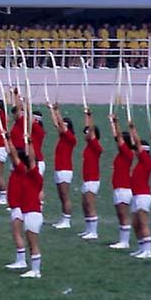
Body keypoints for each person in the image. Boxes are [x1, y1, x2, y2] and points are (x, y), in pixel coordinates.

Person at [4, 130, 43, 279]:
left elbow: (29, 158)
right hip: (29, 212)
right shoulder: (27, 176)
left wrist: (30, 143)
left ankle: (36, 270)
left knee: (33, 243)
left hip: (33, 213)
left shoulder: (35, 176)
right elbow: (14, 155)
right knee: (30, 242)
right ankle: (33, 269)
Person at [127, 120, 151, 260]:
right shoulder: (140, 162)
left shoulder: (147, 161)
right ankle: (140, 247)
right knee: (135, 223)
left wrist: (133, 129)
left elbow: (137, 143)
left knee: (143, 223)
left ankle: (147, 250)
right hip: (136, 195)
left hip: (143, 196)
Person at [108, 113, 135, 250]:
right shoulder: (125, 153)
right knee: (121, 215)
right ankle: (122, 240)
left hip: (123, 188)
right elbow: (116, 137)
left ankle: (125, 241)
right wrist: (112, 123)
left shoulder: (127, 153)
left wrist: (116, 122)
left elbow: (118, 138)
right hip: (119, 187)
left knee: (123, 215)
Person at [48, 103, 77, 229]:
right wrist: (51, 110)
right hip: (60, 169)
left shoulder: (70, 138)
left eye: (64, 125)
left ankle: (67, 220)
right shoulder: (63, 136)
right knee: (62, 196)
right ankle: (63, 218)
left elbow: (60, 125)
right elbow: (57, 124)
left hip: (65, 170)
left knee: (65, 196)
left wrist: (57, 111)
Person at [79, 107, 102, 240]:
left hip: (92, 180)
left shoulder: (95, 145)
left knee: (90, 204)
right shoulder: (89, 145)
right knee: (85, 205)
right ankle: (88, 229)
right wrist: (86, 117)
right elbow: (88, 129)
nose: (85, 134)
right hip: (86, 179)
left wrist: (90, 117)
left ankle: (93, 231)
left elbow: (91, 130)